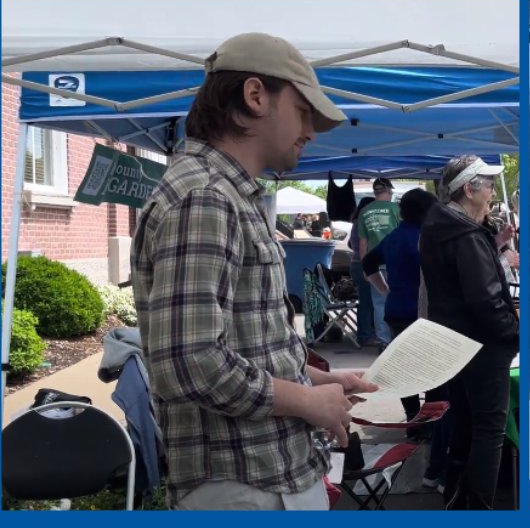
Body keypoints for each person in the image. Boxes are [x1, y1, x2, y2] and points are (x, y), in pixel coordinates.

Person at [131, 32, 376, 510]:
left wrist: (313, 379)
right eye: (305, 111)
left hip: (260, 478)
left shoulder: (219, 192)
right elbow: (189, 361)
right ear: (255, 95)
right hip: (245, 486)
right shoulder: (205, 196)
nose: (312, 131)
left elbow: (243, 343)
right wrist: (306, 401)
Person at [420, 155, 519, 509]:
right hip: (481, 345)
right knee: (488, 431)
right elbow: (485, 299)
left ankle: (456, 500)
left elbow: (465, 281)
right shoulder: (463, 233)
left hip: (455, 342)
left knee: (466, 425)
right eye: (489, 185)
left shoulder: (444, 226)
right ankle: (477, 507)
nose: (493, 191)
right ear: (468, 189)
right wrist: (513, 333)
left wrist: (492, 245)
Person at [362, 188, 442, 425]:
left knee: (405, 368)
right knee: (433, 371)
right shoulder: (425, 239)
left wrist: (385, 290)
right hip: (423, 313)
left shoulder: (394, 237)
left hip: (396, 310)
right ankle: (430, 421)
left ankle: (411, 418)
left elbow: (368, 263)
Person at [356, 177, 400, 348]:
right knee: (398, 300)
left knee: (379, 303)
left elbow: (362, 243)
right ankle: (398, 340)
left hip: (374, 265)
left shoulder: (364, 211)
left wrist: (365, 268)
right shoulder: (395, 209)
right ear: (388, 191)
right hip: (396, 263)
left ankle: (383, 342)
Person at [348, 196, 378, 348]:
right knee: (367, 302)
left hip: (356, 264)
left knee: (366, 301)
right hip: (362, 265)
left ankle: (366, 333)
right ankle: (365, 335)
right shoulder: (363, 222)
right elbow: (362, 246)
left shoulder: (356, 222)